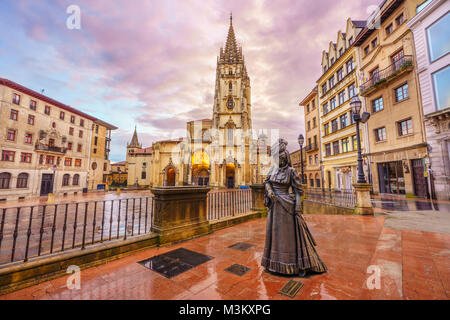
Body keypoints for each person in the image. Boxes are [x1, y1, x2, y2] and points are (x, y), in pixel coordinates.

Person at [261, 138, 327, 277]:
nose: (277, 162)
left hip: (286, 206)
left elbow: (298, 191)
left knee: (286, 237)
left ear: (285, 159)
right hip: (274, 207)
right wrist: (270, 191)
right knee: (275, 235)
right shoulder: (273, 169)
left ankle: (290, 264)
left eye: (279, 159)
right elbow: (267, 182)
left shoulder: (291, 171)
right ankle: (273, 262)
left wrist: (297, 208)